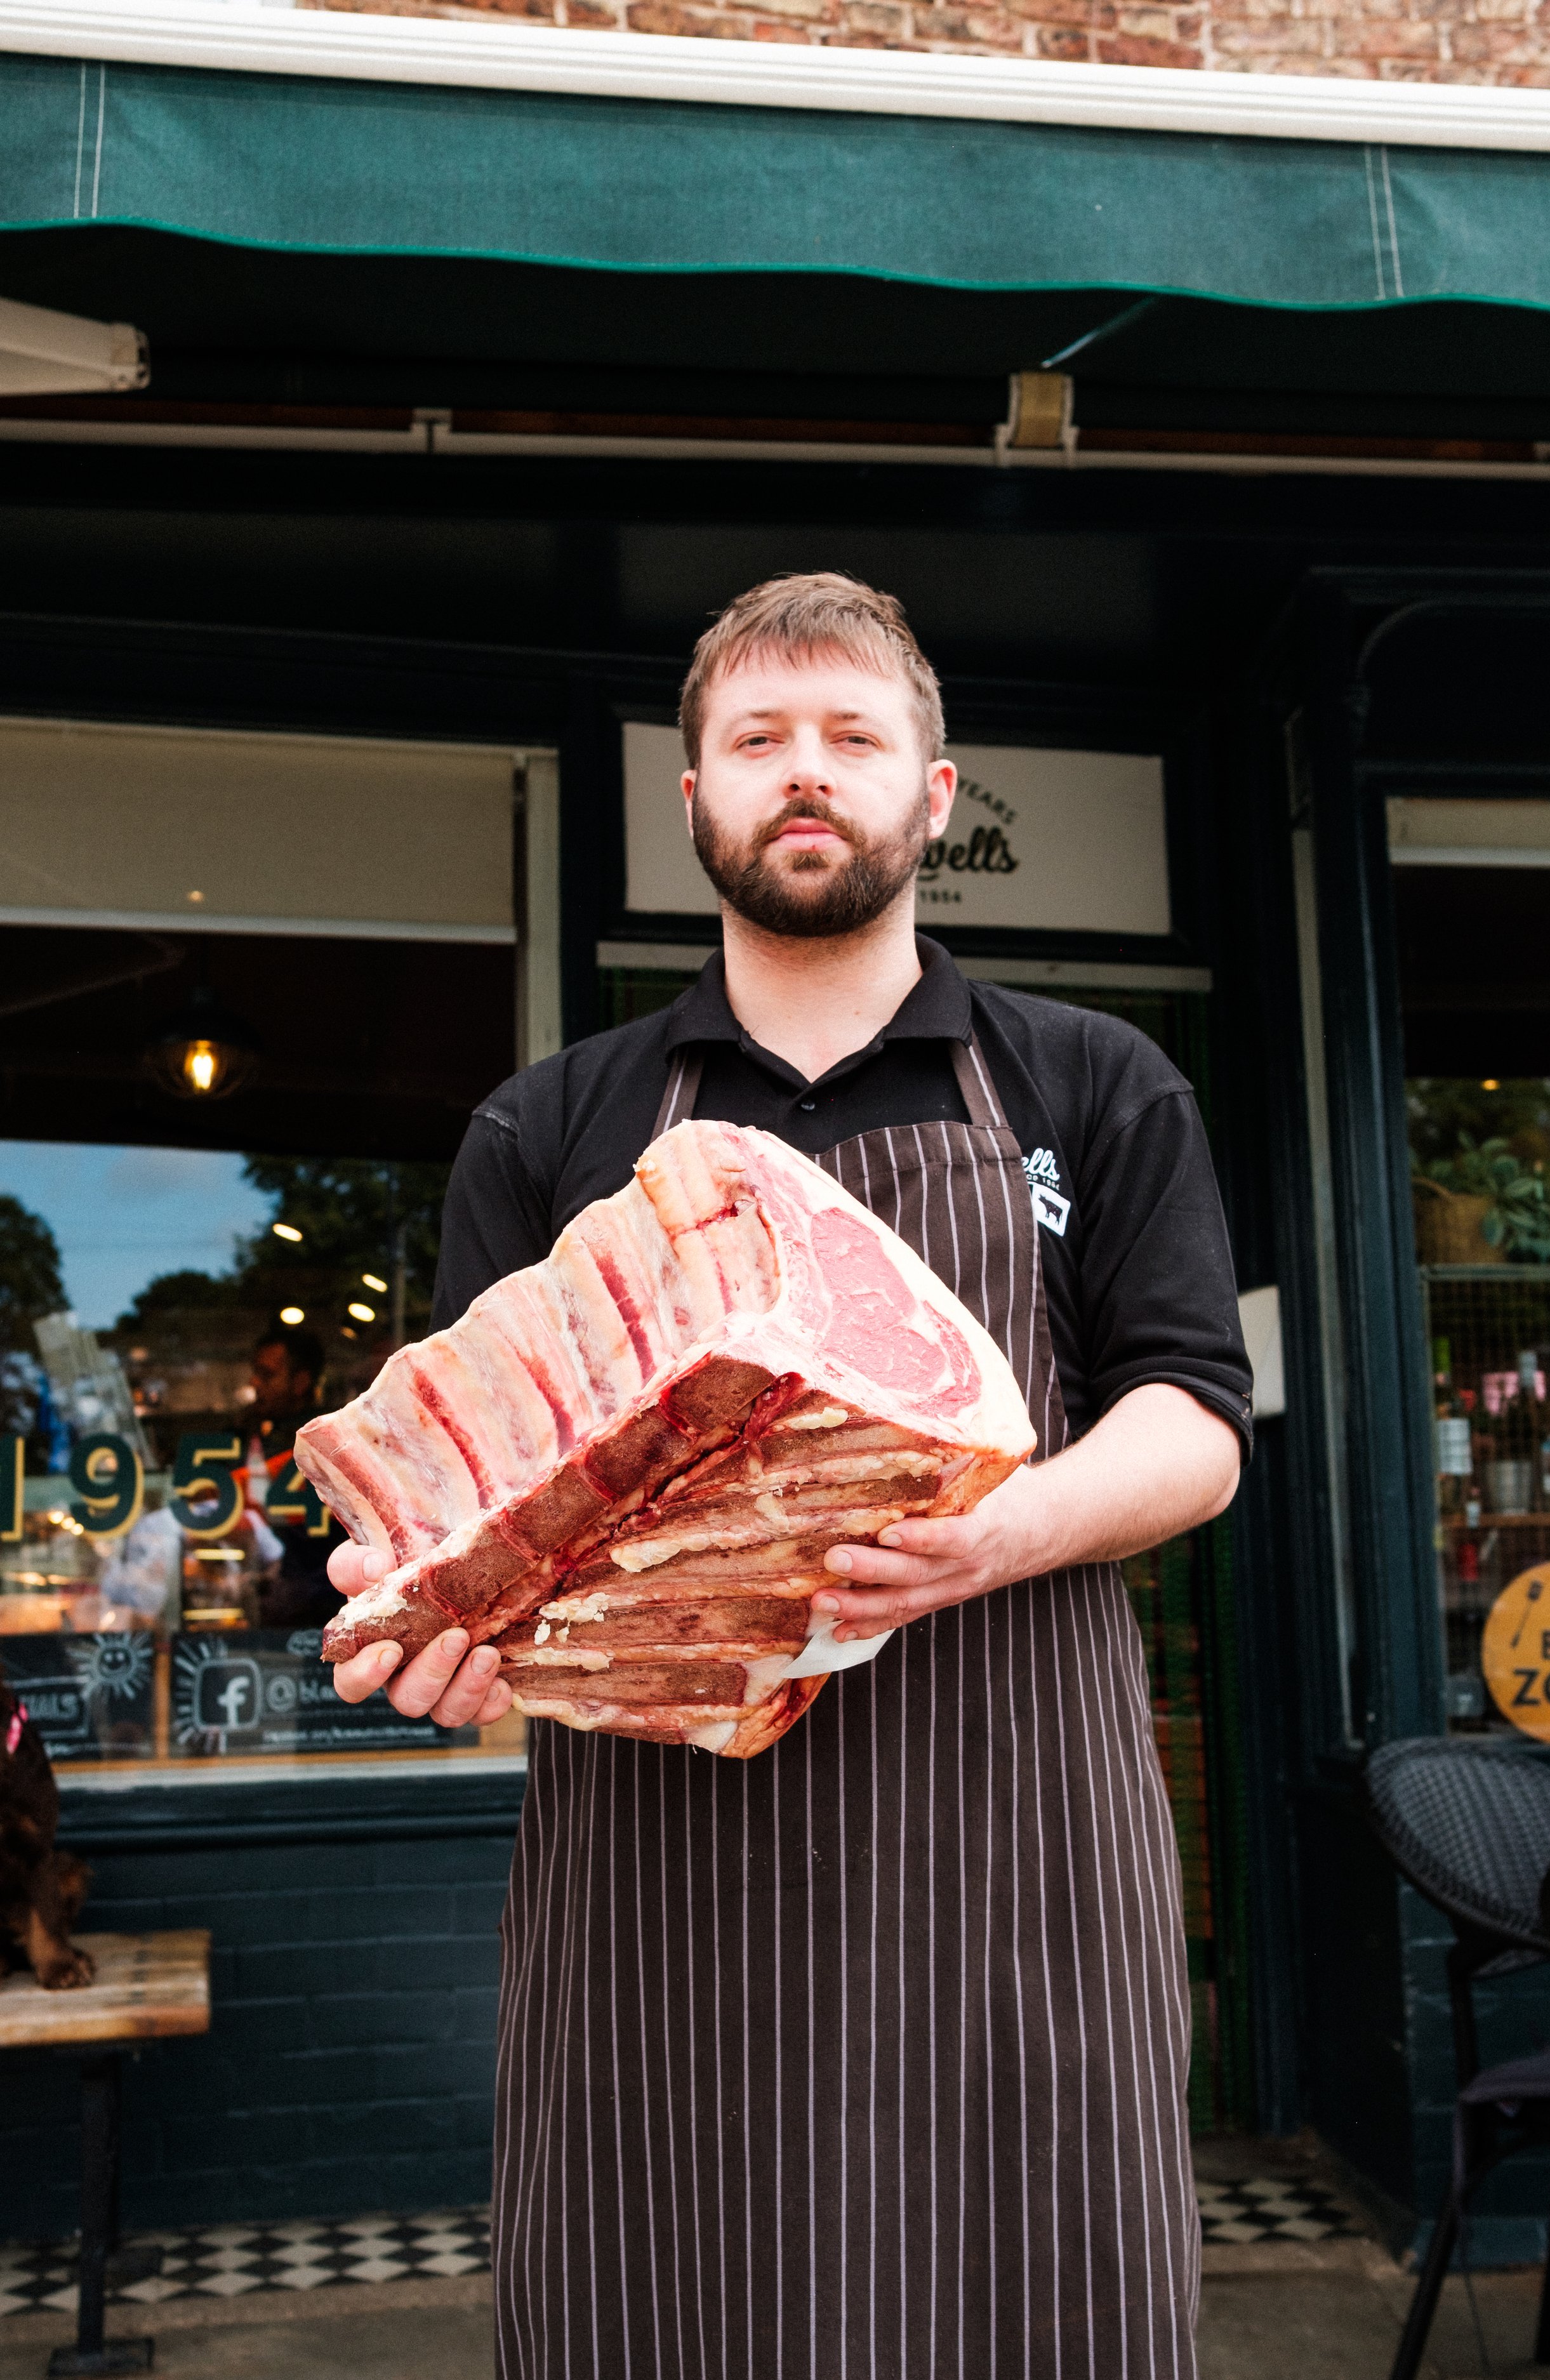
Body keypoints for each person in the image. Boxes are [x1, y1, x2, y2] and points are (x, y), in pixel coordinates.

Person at [331, 574, 1251, 2377]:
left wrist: (1001, 1530)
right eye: (756, 741)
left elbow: (1194, 1419)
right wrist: (447, 1646)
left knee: (1037, 2304)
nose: (802, 773)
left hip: (1013, 1856)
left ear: (933, 791)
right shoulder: (554, 1123)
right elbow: (467, 1504)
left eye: (851, 737)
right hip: (657, 1891)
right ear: (693, 802)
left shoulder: (1089, 1082)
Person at [243, 1326, 343, 1631]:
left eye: (267, 1374)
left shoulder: (322, 1439)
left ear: (300, 1382)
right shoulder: (260, 1432)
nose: (255, 1383)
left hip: (320, 1594)